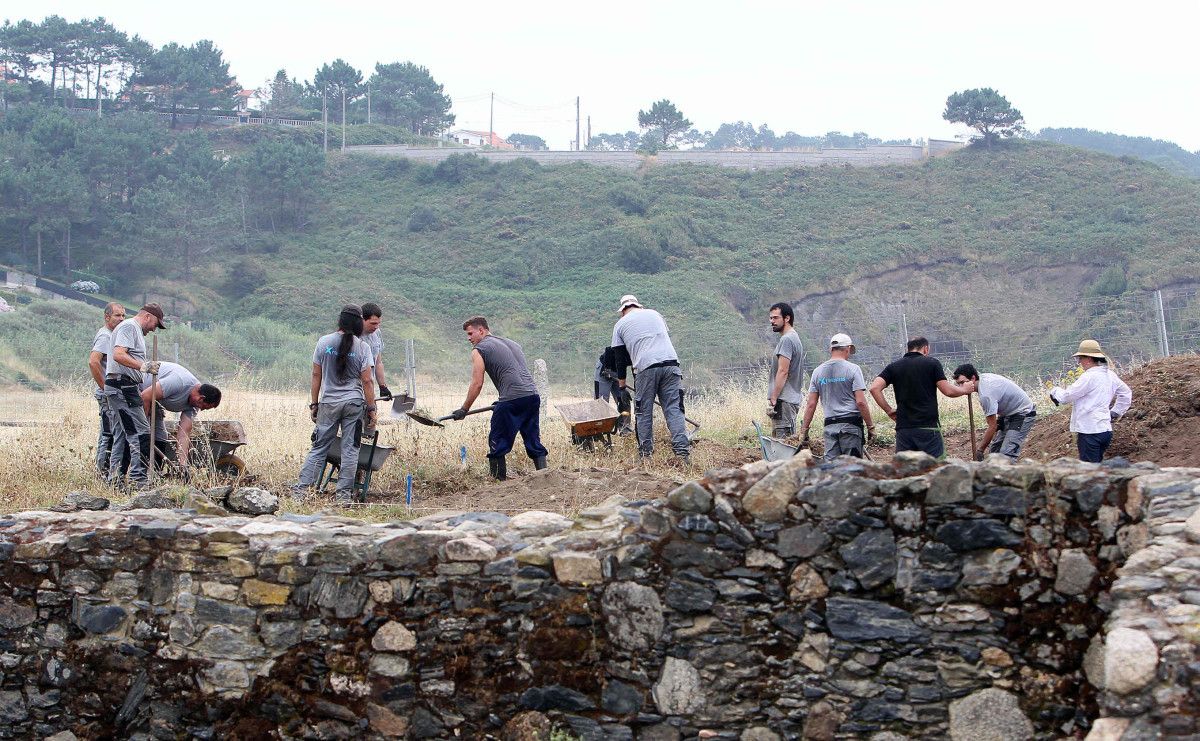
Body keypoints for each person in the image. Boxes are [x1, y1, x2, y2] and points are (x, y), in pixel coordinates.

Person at [295, 306, 378, 503]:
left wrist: (314, 403)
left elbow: (316, 375)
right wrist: (372, 408)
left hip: (329, 403)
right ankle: (343, 497)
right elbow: (367, 381)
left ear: (340, 321)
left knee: (319, 448)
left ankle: (300, 493)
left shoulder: (323, 342)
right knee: (350, 450)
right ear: (358, 323)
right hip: (354, 404)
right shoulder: (362, 347)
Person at [455, 316, 547, 481]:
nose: (469, 339)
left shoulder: (479, 349)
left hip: (512, 400)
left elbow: (477, 383)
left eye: (470, 334)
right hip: (532, 396)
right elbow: (514, 373)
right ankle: (545, 478)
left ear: (481, 330)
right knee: (533, 440)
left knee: (497, 441)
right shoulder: (512, 343)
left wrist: (464, 409)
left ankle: (497, 484)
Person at [611, 295, 690, 461]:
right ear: (639, 306)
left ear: (623, 311)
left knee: (643, 412)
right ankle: (682, 453)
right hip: (671, 364)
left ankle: (646, 455)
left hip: (646, 368)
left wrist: (622, 385)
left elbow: (619, 358)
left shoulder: (620, 324)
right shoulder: (655, 314)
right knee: (673, 409)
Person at [868, 337, 975, 459]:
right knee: (934, 468)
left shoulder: (893, 367)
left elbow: (874, 388)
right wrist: (964, 390)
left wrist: (888, 410)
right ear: (926, 349)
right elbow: (948, 391)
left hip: (904, 429)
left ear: (908, 349)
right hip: (928, 428)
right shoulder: (932, 363)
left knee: (905, 469)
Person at [104, 303, 167, 487]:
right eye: (156, 323)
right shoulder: (130, 326)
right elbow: (118, 354)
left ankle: (115, 480)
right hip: (123, 386)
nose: (155, 328)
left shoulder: (133, 329)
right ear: (148, 316)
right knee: (141, 433)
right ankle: (138, 480)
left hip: (120, 385)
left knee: (123, 434)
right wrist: (143, 366)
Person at [1048, 339, 1133, 463]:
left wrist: (1055, 391)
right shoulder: (1110, 375)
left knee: (1090, 471)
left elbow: (1067, 396)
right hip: (1105, 430)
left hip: (1089, 431)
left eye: (1080, 359)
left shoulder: (1089, 377)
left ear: (1088, 359)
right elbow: (1126, 393)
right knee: (1097, 466)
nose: (1080, 363)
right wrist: (1115, 412)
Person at [801, 333, 875, 460]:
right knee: (852, 467)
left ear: (831, 349)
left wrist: (804, 430)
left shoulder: (817, 372)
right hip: (851, 426)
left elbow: (811, 404)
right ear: (848, 349)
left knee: (832, 468)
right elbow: (861, 402)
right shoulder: (854, 369)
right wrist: (870, 427)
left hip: (830, 426)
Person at [139, 362, 222, 473]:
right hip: (138, 390)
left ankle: (155, 473)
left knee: (160, 437)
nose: (201, 409)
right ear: (201, 398)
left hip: (155, 402)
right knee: (141, 435)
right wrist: (145, 428)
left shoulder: (194, 405)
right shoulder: (179, 382)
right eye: (204, 407)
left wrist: (183, 465)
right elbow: (145, 396)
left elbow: (184, 433)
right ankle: (138, 474)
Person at [952, 364, 1036, 461]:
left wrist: (980, 450)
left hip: (1023, 413)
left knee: (1007, 454)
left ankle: (1008, 474)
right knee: (995, 452)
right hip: (1007, 414)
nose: (961, 387)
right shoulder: (983, 379)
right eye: (958, 384)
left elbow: (992, 426)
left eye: (963, 382)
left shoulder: (986, 395)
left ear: (973, 378)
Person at [87, 302, 125, 475]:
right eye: (117, 315)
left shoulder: (114, 336)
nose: (121, 319)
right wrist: (105, 387)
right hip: (107, 394)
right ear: (107, 316)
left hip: (111, 392)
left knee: (110, 432)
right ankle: (102, 472)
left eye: (123, 315)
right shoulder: (105, 336)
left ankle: (107, 470)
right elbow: (94, 362)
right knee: (108, 433)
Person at [766, 302, 805, 438]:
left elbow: (783, 371)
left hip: (784, 400)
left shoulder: (787, 340)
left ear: (787, 318)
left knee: (782, 445)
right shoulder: (794, 337)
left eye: (775, 318)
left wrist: (774, 398)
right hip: (789, 400)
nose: (772, 321)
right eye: (771, 318)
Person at [361, 302, 390, 400]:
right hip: (355, 392)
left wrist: (382, 386)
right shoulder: (352, 337)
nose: (376, 327)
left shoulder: (377, 333)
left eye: (378, 323)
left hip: (370, 390)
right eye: (373, 323)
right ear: (362, 320)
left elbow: (378, 362)